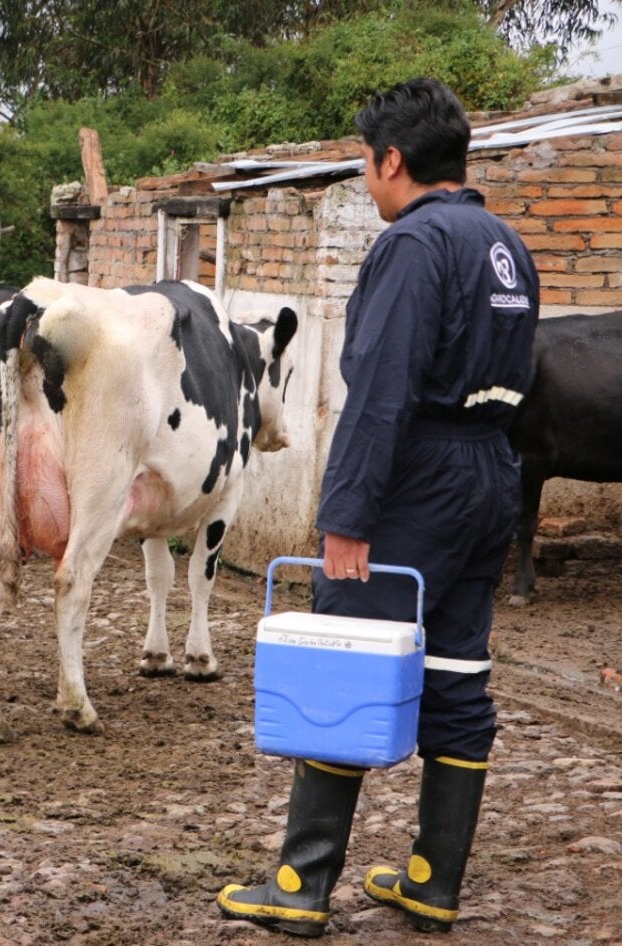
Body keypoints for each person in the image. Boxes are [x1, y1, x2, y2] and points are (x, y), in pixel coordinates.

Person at [217, 77, 540, 937]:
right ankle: (432, 880)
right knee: (460, 668)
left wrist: (347, 515)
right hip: (488, 472)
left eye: (366, 159)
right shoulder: (504, 242)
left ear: (392, 160)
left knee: (343, 661)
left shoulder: (415, 244)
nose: (366, 175)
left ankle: (300, 887)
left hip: (417, 479)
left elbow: (382, 393)